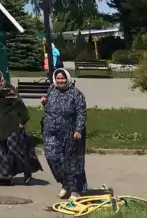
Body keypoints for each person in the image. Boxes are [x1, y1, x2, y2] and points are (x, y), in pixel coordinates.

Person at [0, 65, 41, 186]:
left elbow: (20, 104)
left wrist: (22, 120)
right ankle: (4, 178)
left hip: (12, 125)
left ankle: (27, 171)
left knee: (17, 151)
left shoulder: (7, 88)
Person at [41, 67, 88, 199]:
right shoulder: (51, 90)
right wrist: (45, 102)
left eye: (62, 78)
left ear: (67, 79)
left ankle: (75, 190)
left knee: (71, 162)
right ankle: (65, 183)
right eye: (58, 78)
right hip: (51, 132)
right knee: (52, 158)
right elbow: (51, 107)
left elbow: (81, 113)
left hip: (70, 133)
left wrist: (78, 130)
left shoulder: (76, 94)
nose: (60, 81)